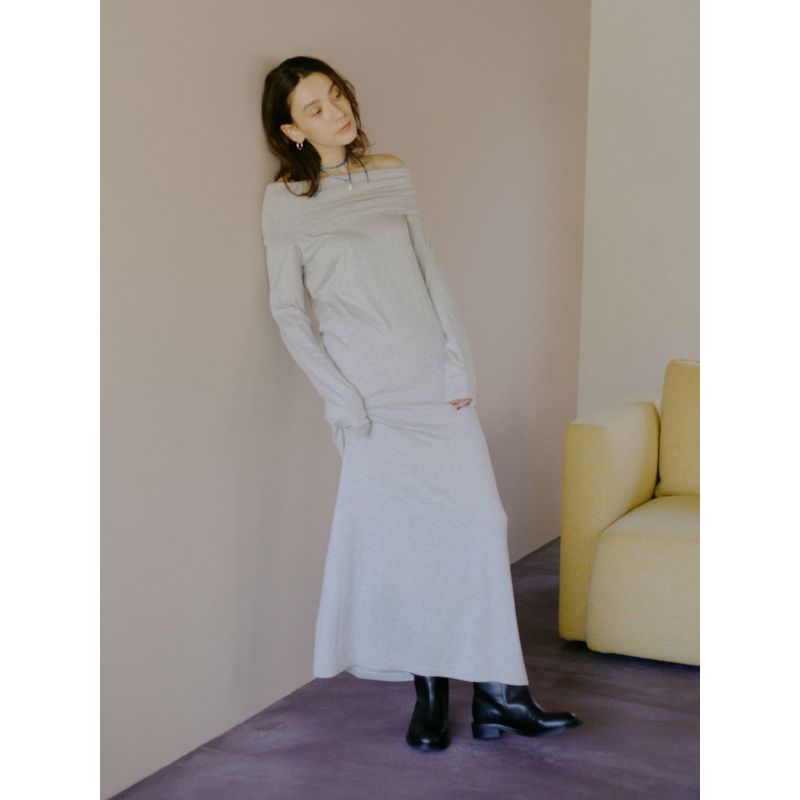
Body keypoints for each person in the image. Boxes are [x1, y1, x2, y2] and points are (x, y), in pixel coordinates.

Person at [260, 56, 581, 751]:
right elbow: (288, 311)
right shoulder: (286, 202)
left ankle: (499, 695)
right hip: (371, 400)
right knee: (406, 543)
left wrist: (458, 364)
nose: (336, 111)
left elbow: (430, 271)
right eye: (315, 108)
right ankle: (430, 695)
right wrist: (342, 399)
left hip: (434, 386)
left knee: (479, 526)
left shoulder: (391, 172)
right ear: (292, 131)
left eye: (336, 95)